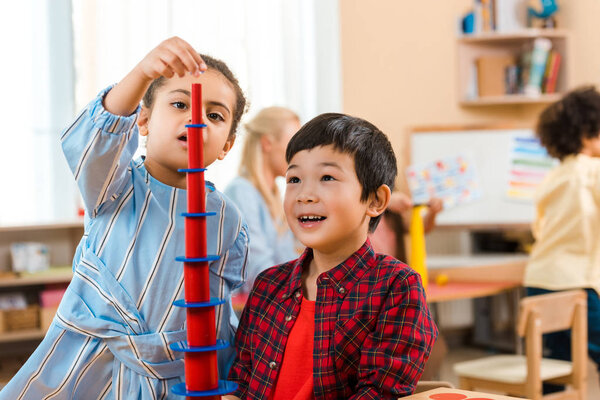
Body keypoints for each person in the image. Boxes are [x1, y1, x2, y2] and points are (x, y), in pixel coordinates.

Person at [0, 37, 248, 399]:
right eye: (180, 104)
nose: (196, 119)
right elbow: (94, 140)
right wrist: (144, 72)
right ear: (142, 120)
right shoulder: (114, 184)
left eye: (215, 115)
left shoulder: (228, 219)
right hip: (87, 366)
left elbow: (215, 315)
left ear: (227, 144)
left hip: (172, 377)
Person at [226, 113, 438, 399]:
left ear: (375, 201)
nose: (305, 194)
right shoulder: (268, 286)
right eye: (294, 179)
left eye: (327, 177)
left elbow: (377, 393)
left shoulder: (397, 287)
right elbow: (239, 384)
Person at [523, 86, 600, 391]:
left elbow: (540, 229)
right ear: (586, 134)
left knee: (551, 367)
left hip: (539, 280)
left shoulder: (550, 178)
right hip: (577, 284)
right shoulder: (594, 170)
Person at [225, 107, 300, 293]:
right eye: (294, 145)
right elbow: (258, 269)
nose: (298, 154)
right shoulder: (241, 192)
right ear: (267, 143)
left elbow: (289, 260)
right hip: (247, 312)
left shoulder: (275, 198)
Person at [370, 191, 443, 262]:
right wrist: (386, 200)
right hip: (365, 267)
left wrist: (432, 213)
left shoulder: (399, 186)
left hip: (390, 267)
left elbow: (416, 227)